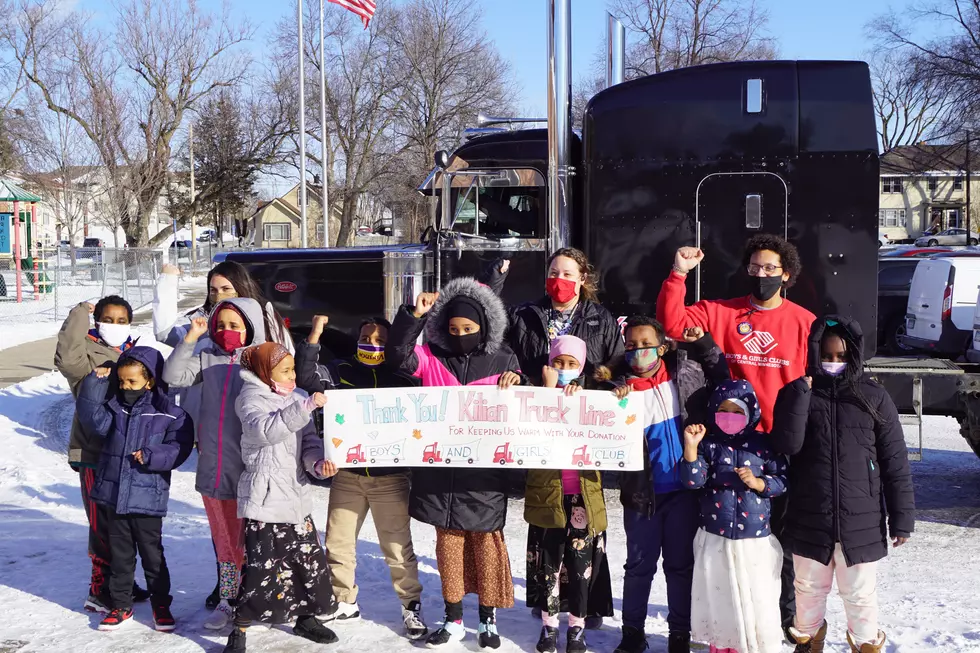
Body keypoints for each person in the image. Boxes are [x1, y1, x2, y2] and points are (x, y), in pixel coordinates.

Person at [657, 234, 816, 631]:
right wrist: (678, 273)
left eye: (770, 269)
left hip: (777, 447)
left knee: (778, 542)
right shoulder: (721, 312)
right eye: (755, 267)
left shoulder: (803, 323)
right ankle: (724, 622)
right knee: (722, 543)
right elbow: (672, 323)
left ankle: (780, 621)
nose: (761, 274)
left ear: (786, 275)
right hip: (728, 446)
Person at [386, 278, 524, 649]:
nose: (460, 334)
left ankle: (488, 621)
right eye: (453, 329)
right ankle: (453, 618)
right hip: (440, 479)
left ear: (484, 327)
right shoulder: (431, 358)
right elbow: (397, 356)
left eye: (468, 329)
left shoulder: (503, 360)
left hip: (483, 480)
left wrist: (519, 380)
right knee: (449, 553)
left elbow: (522, 409)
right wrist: (413, 316)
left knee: (486, 550)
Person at [153, 260, 292, 609]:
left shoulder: (262, 329)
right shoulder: (203, 331)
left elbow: (290, 375)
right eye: (213, 290)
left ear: (242, 289)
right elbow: (167, 341)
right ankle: (228, 587)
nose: (218, 296)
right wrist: (168, 282)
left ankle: (264, 590)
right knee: (224, 527)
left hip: (254, 445)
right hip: (213, 442)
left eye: (226, 289)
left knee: (258, 525)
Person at [771, 316, 915, 653]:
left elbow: (895, 461)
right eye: (826, 355)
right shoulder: (799, 392)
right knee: (807, 587)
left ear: (853, 356)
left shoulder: (873, 397)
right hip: (810, 515)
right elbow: (786, 446)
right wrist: (799, 396)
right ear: (813, 353)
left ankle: (865, 645)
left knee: (860, 593)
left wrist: (902, 517)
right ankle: (807, 641)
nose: (833, 363)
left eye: (841, 356)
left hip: (860, 520)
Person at [294, 314, 428, 639]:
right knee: (338, 543)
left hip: (390, 478)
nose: (373, 344)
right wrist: (314, 336)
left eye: (380, 339)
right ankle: (344, 600)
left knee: (397, 547)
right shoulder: (341, 371)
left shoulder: (403, 377)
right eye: (366, 338)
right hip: (348, 476)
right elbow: (306, 377)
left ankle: (411, 606)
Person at [612, 318, 729, 653]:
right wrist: (613, 398)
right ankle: (632, 631)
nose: (638, 352)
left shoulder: (685, 377)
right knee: (638, 567)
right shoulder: (619, 392)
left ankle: (680, 631)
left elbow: (721, 380)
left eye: (645, 344)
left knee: (680, 566)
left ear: (662, 348)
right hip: (640, 494)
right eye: (631, 346)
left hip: (684, 493)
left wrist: (705, 344)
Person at [222, 342, 339, 653]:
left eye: (292, 370)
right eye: (284, 371)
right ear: (264, 372)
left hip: (296, 497)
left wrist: (317, 465)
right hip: (265, 497)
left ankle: (306, 616)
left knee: (307, 562)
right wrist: (303, 408)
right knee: (261, 566)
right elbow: (265, 431)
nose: (291, 376)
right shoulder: (250, 400)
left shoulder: (299, 397)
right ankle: (240, 629)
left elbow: (310, 442)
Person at [162, 297, 268, 629]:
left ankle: (258, 598)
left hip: (252, 471)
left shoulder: (259, 361)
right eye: (220, 325)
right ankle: (227, 599)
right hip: (214, 468)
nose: (226, 331)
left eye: (234, 326)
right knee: (224, 541)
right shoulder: (206, 359)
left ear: (250, 327)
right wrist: (191, 337)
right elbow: (173, 375)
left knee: (256, 541)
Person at [76, 347, 194, 632]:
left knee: (153, 556)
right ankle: (120, 605)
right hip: (115, 498)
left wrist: (153, 455)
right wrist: (95, 382)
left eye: (132, 381)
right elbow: (92, 420)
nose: (126, 387)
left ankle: (161, 605)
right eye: (122, 381)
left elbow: (179, 448)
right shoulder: (114, 409)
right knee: (120, 556)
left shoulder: (169, 414)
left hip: (147, 500)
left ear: (150, 380)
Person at [53, 295, 150, 614]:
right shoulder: (85, 357)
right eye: (108, 320)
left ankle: (120, 581)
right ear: (97, 323)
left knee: (123, 524)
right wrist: (80, 311)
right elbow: (66, 357)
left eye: (122, 321)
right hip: (95, 454)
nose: (115, 326)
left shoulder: (133, 353)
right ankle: (99, 588)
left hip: (128, 455)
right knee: (102, 524)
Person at [680, 379, 787, 653]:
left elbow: (783, 481)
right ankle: (722, 645)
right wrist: (691, 448)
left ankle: (753, 645)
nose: (730, 416)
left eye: (737, 411)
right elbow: (693, 482)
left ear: (751, 412)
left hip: (754, 539)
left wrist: (759, 483)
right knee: (721, 596)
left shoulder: (764, 444)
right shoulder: (709, 444)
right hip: (716, 538)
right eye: (723, 410)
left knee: (756, 596)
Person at [526, 335, 613, 653]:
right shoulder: (534, 395)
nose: (564, 369)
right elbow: (526, 430)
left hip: (584, 498)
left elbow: (613, 426)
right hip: (548, 495)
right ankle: (549, 628)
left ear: (582, 367)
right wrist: (548, 393)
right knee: (548, 567)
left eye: (571, 364)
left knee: (580, 569)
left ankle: (577, 628)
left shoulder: (593, 397)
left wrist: (585, 399)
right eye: (558, 362)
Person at [488, 248, 624, 386]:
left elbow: (617, 366)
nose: (559, 279)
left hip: (582, 404)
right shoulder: (523, 315)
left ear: (582, 278)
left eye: (567, 274)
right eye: (554, 273)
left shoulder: (601, 320)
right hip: (532, 403)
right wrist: (493, 285)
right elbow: (488, 336)